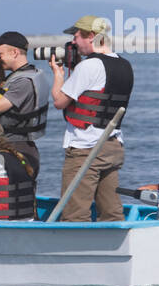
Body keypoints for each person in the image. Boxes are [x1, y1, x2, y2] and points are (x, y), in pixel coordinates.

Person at [49, 15, 133, 221]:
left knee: (74, 213)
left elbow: (60, 101)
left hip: (85, 147)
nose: (74, 42)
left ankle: (74, 250)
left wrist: (58, 74)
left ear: (92, 37)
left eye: (77, 36)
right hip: (112, 144)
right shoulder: (124, 65)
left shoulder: (88, 66)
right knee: (112, 212)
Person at [0, 30, 48, 175]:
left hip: (17, 147)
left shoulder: (23, 81)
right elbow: (2, 94)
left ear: (15, 53)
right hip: (18, 145)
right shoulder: (29, 74)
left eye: (0, 55)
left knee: (14, 192)